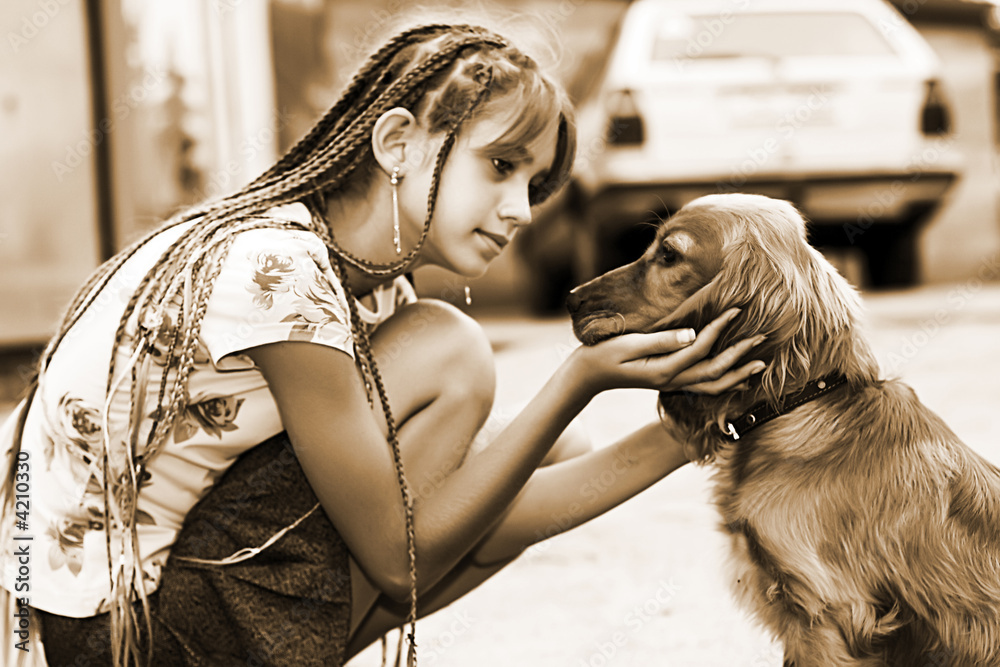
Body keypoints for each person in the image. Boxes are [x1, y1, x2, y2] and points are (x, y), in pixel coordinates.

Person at [0, 21, 766, 667]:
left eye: (532, 187)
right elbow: (400, 563)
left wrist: (685, 430)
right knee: (451, 353)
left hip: (158, 609)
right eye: (501, 167)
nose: (520, 211)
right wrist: (576, 378)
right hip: (107, 635)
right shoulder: (279, 269)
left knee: (540, 453)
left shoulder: (365, 285)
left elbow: (445, 531)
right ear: (398, 142)